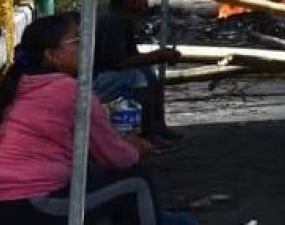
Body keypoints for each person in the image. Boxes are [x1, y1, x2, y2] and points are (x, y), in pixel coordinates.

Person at [0, 14, 196, 224]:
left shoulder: (20, 84)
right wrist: (135, 148)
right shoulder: (71, 90)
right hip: (30, 200)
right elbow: (116, 156)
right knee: (137, 182)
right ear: (51, 55)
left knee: (96, 175)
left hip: (13, 197)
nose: (86, 47)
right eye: (77, 41)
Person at [94, 0, 183, 146]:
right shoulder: (113, 22)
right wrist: (157, 55)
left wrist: (155, 57)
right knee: (137, 78)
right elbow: (119, 62)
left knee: (148, 73)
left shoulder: (121, 19)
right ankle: (146, 134)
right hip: (95, 80)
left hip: (105, 73)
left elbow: (132, 57)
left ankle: (158, 127)